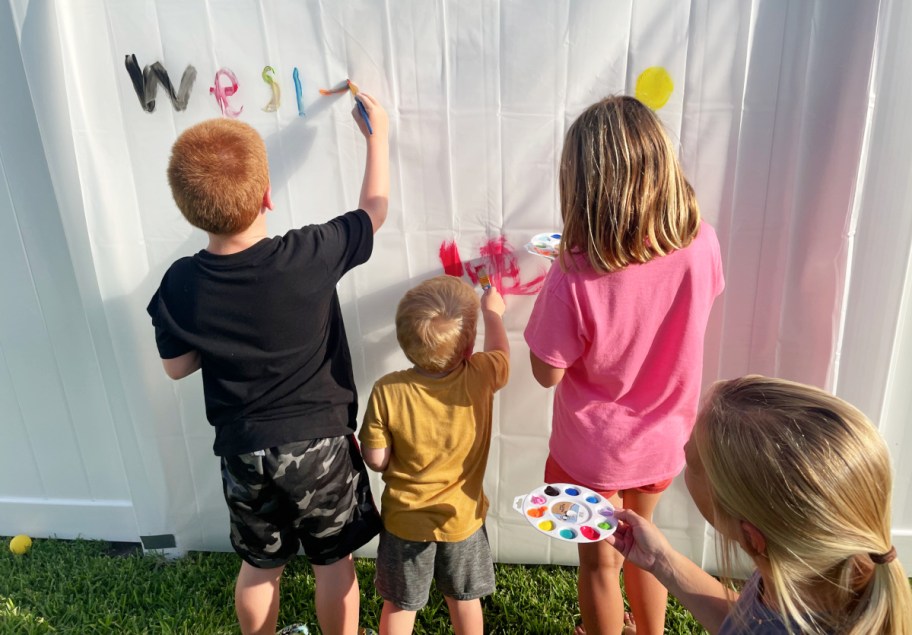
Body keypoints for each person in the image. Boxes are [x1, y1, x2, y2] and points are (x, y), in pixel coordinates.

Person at [146, 93, 389, 635]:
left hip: (243, 452)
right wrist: (379, 139)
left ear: (188, 209)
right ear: (267, 198)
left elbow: (177, 367)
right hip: (320, 447)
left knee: (261, 565)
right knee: (334, 562)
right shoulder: (311, 253)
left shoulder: (181, 282)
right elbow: (375, 211)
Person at [524, 95, 724, 635]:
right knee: (646, 544)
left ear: (583, 188)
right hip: (664, 439)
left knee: (598, 562)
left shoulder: (573, 275)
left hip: (592, 451)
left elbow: (548, 373)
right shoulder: (702, 242)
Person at [607, 375, 912, 634]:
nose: (685, 445)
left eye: (692, 459)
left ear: (753, 538)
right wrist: (663, 561)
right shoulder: (818, 574)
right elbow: (746, 622)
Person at [358, 275, 510, 635]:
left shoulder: (388, 390)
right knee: (463, 599)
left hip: (404, 521)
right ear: (469, 345)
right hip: (462, 520)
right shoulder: (482, 373)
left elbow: (376, 458)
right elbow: (502, 354)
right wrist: (493, 313)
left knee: (400, 603)